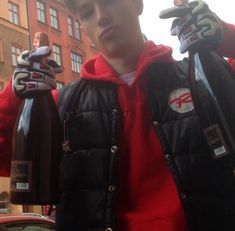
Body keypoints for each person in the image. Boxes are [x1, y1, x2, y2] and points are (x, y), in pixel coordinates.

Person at [1, 0, 235, 230]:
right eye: (87, 12)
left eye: (109, 2)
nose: (101, 16)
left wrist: (223, 36)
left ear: (138, 4)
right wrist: (14, 94)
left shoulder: (199, 80)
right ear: (82, 25)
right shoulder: (62, 104)